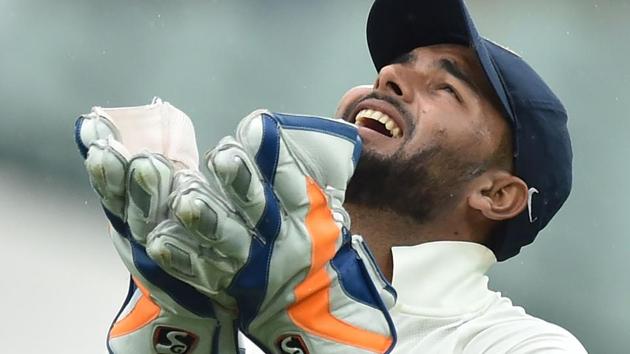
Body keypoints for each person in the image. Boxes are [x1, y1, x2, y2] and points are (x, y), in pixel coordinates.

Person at [76, 0, 586, 352]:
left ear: (496, 194)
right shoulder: (233, 299)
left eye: (446, 87)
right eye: (396, 66)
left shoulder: (523, 345)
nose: (388, 75)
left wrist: (316, 332)